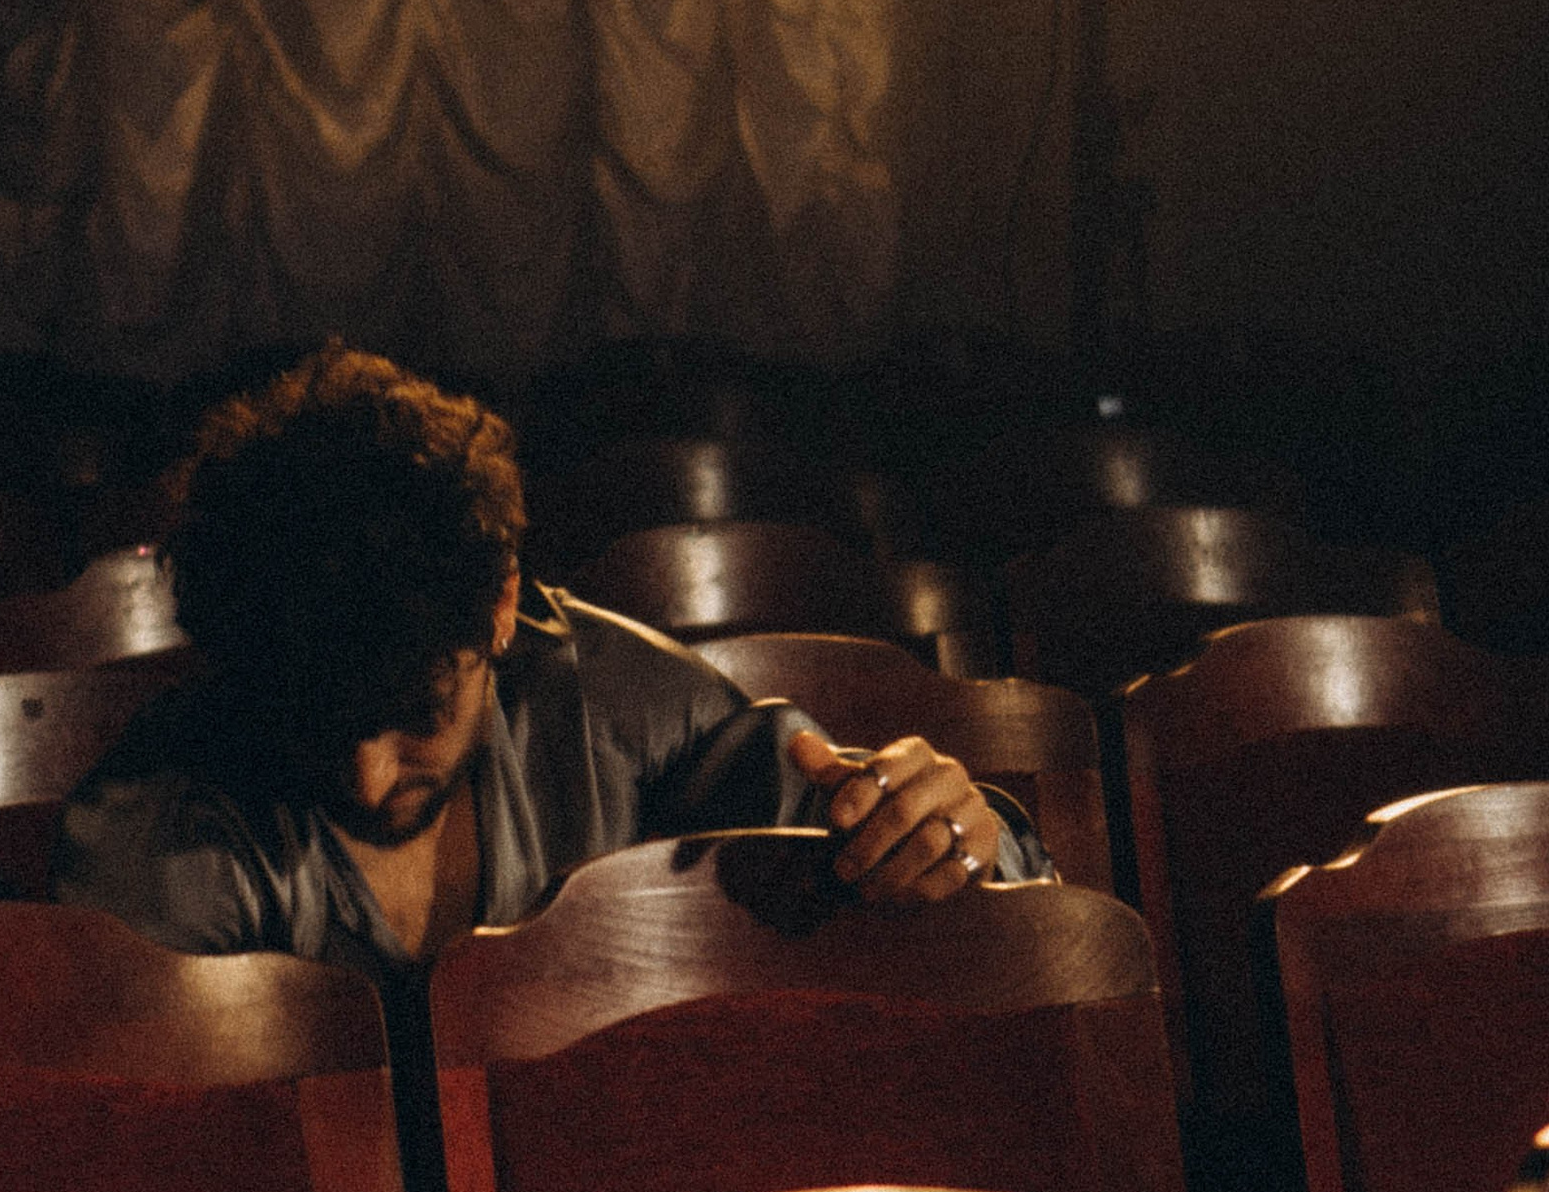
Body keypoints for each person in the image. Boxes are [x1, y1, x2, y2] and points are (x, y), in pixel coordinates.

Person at [56, 342, 1051, 1024]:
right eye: (315, 726)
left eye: (414, 717)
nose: (366, 779)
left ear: (500, 605)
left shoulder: (612, 703)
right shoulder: (160, 824)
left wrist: (949, 840)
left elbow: (976, 880)